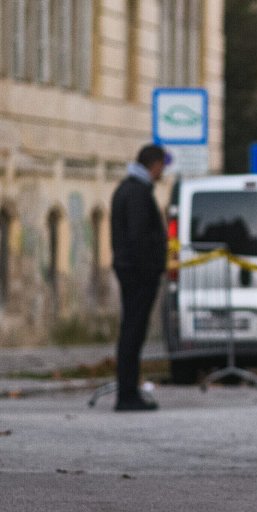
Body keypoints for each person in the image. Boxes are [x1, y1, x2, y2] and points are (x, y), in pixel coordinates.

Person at [110, 144, 168, 412]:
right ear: (154, 164)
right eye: (162, 166)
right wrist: (151, 267)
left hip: (132, 271)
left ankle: (129, 391)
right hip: (137, 274)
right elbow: (138, 237)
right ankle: (127, 394)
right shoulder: (136, 193)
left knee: (133, 331)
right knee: (133, 332)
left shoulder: (131, 189)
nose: (163, 171)